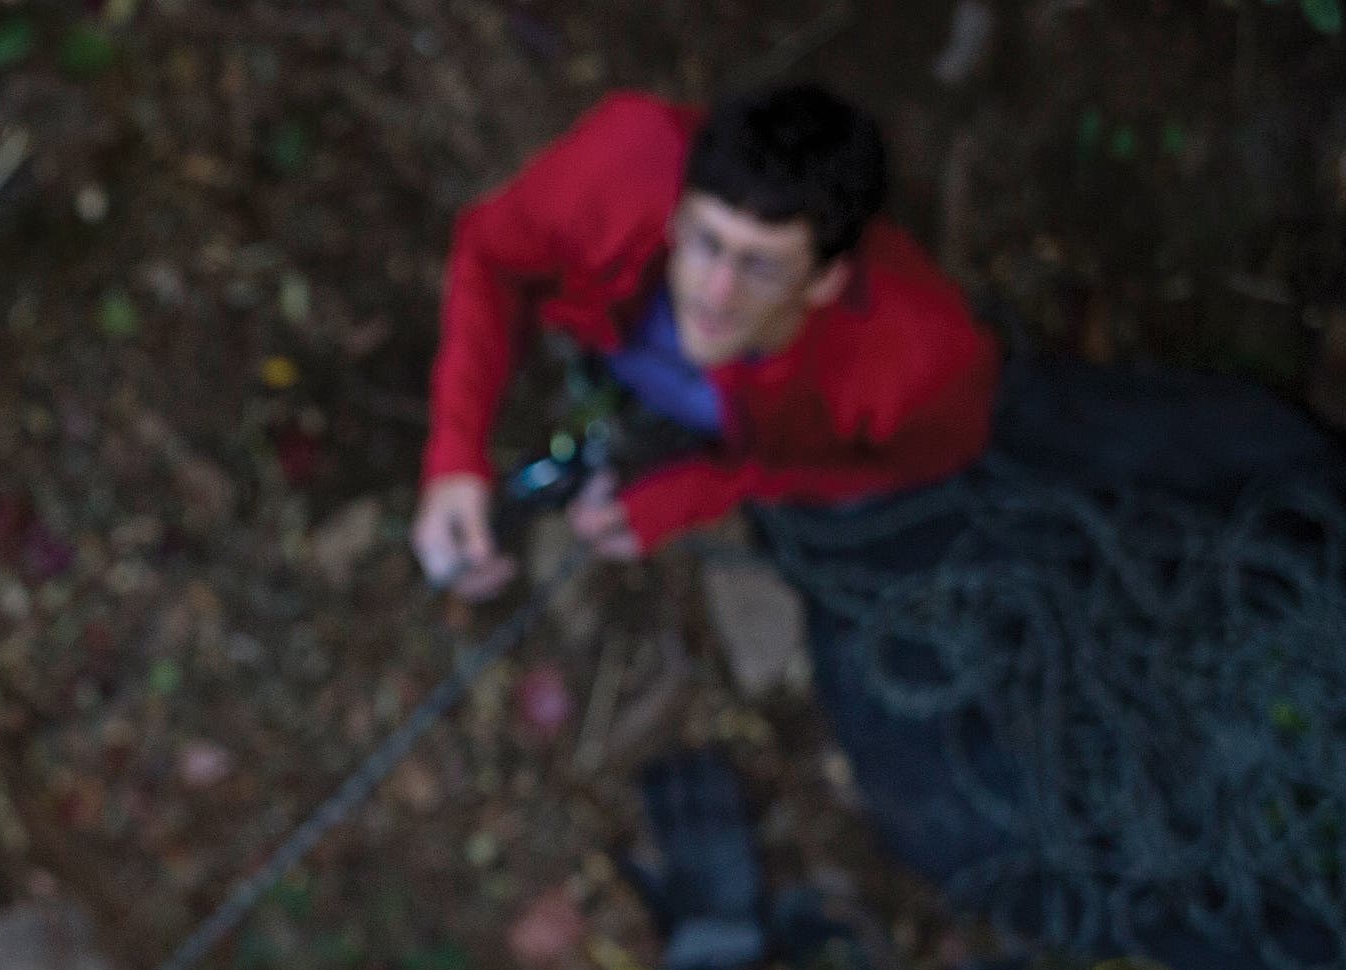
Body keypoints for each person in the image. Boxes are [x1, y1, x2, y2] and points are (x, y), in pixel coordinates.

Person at [410, 83, 997, 598]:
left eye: (761, 268)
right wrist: (456, 455)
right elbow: (491, 255)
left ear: (827, 280)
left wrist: (710, 489)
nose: (715, 294)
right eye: (704, 242)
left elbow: (899, 464)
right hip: (640, 354)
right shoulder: (623, 164)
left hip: (754, 423)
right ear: (676, 216)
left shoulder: (921, 360)